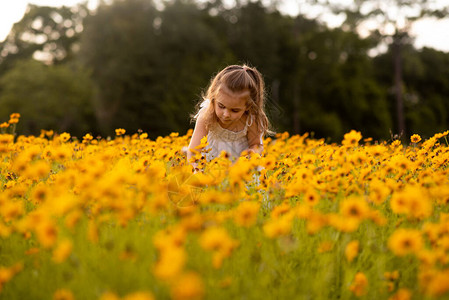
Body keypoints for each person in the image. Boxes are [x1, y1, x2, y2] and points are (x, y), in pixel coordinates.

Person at [187, 64, 272, 166]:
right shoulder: (206, 116)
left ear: (248, 107)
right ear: (214, 98)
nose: (226, 114)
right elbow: (193, 152)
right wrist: (198, 174)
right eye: (221, 106)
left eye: (235, 110)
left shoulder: (251, 120)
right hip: (210, 168)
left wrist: (252, 153)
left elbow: (256, 145)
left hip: (240, 171)